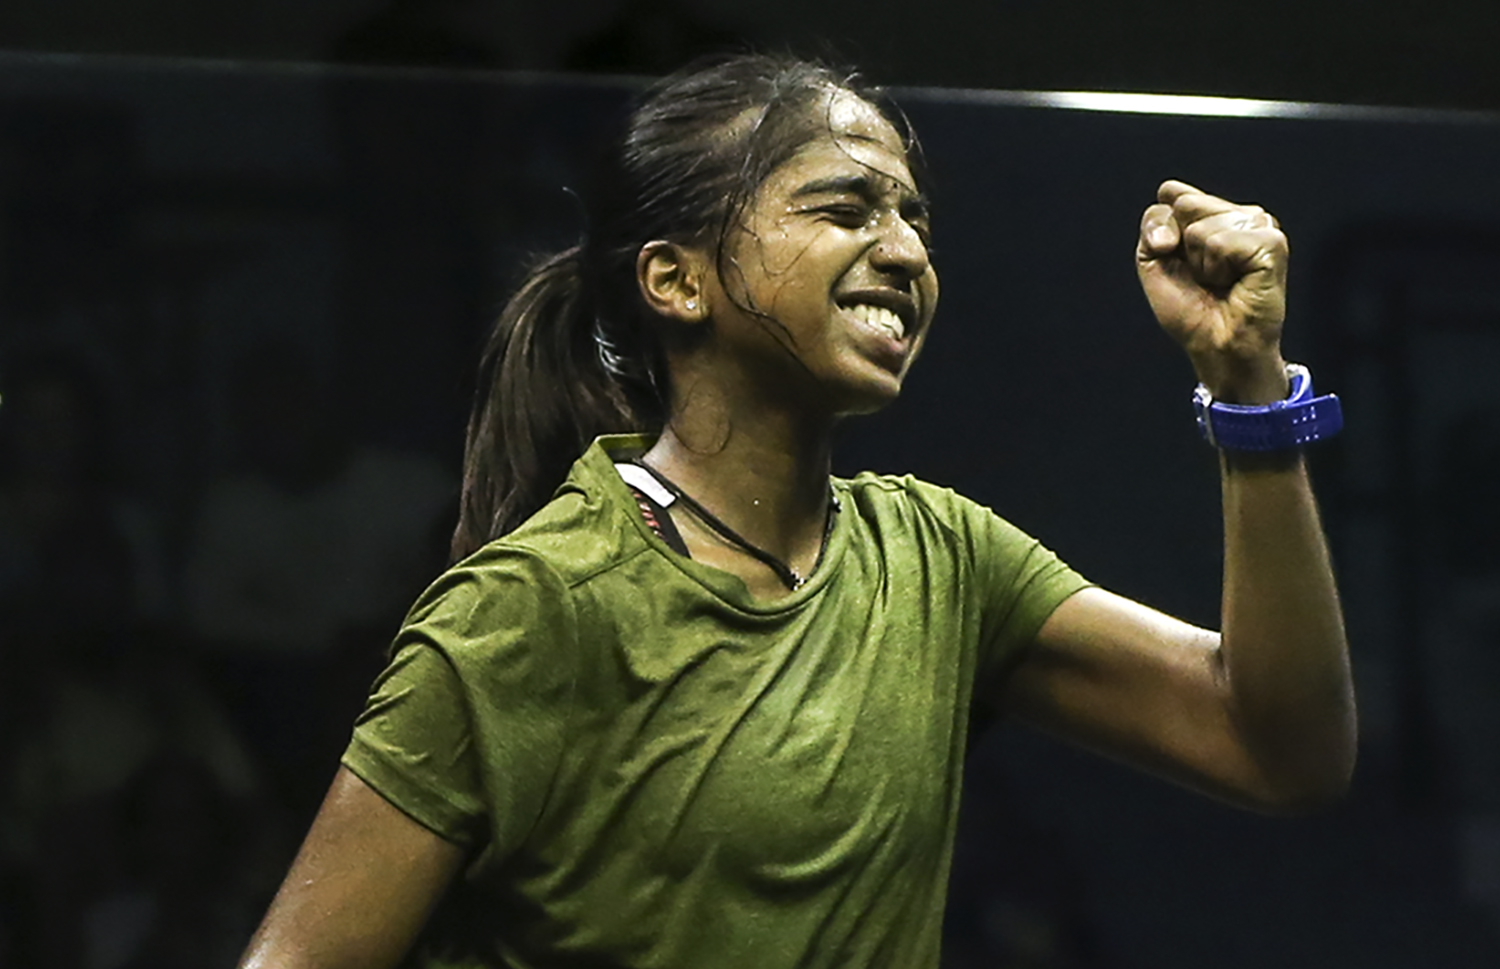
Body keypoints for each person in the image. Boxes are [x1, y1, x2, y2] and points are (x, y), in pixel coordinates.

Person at [238, 53, 1356, 969]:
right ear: (678, 281)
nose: (906, 250)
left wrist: (1248, 387)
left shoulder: (939, 561)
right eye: (845, 208)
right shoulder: (530, 608)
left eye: (913, 216)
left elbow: (1279, 748)